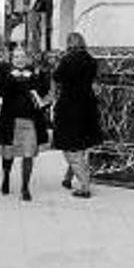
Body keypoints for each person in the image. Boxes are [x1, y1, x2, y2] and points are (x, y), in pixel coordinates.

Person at [0, 46, 50, 201]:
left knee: (28, 154)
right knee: (8, 154)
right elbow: (0, 91)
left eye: (22, 56)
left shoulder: (33, 74)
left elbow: (43, 91)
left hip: (30, 121)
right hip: (10, 120)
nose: (20, 59)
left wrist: (38, 75)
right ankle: (6, 177)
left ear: (27, 58)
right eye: (16, 57)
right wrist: (12, 77)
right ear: (12, 59)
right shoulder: (6, 74)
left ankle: (25, 187)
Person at [52, 32, 103, 198]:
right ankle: (68, 178)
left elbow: (56, 77)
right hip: (88, 108)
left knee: (70, 149)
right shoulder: (91, 60)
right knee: (81, 146)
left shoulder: (66, 60)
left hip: (69, 108)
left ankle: (85, 186)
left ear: (69, 44)